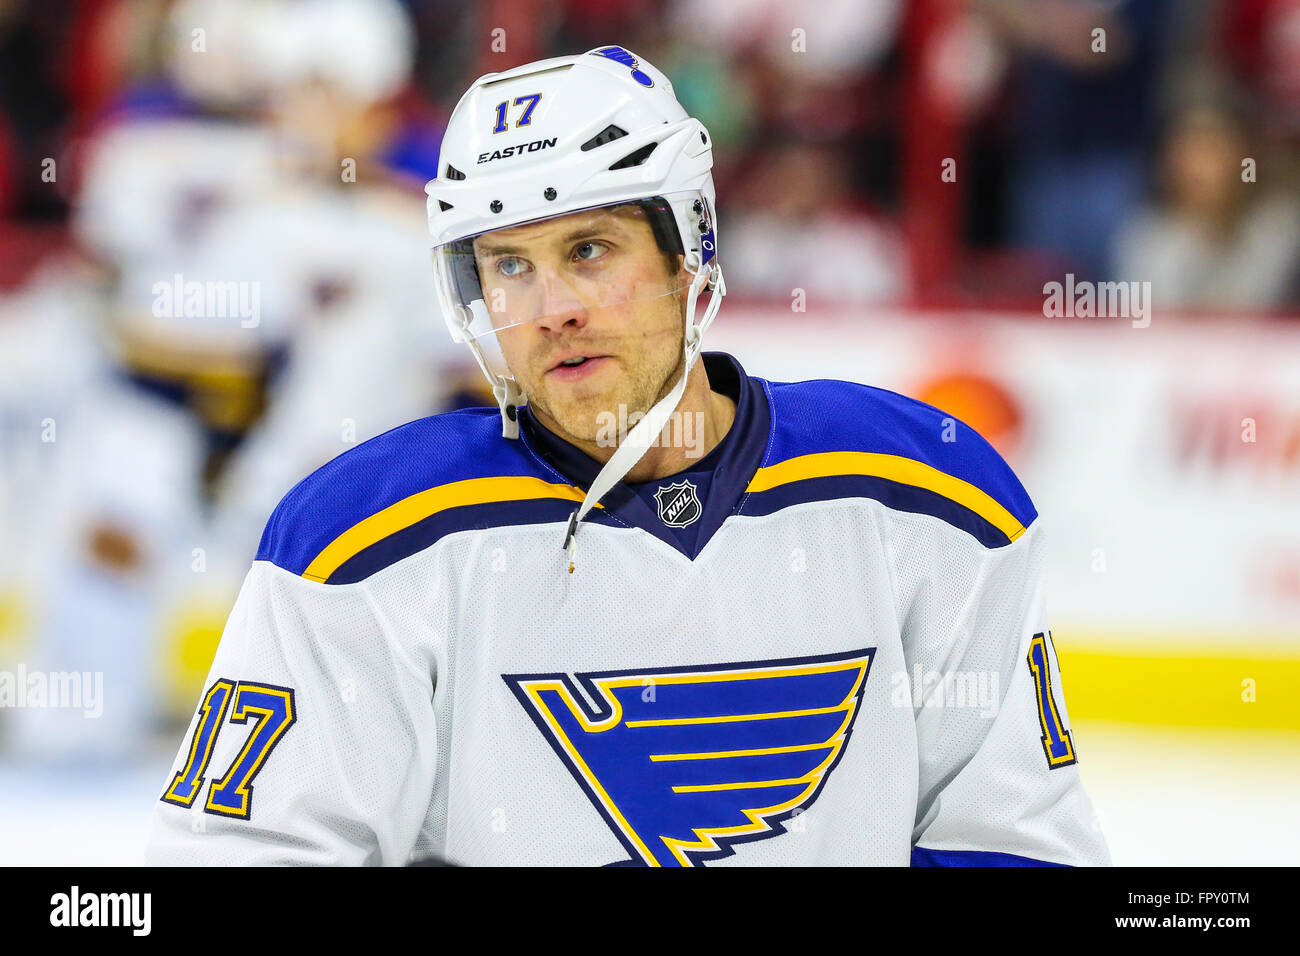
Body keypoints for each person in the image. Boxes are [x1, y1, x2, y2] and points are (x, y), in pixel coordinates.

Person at [146, 46, 1110, 867]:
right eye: (510, 265)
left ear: (688, 250)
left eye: (592, 250)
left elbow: (1014, 844)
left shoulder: (925, 498)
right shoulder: (364, 541)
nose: (552, 305)